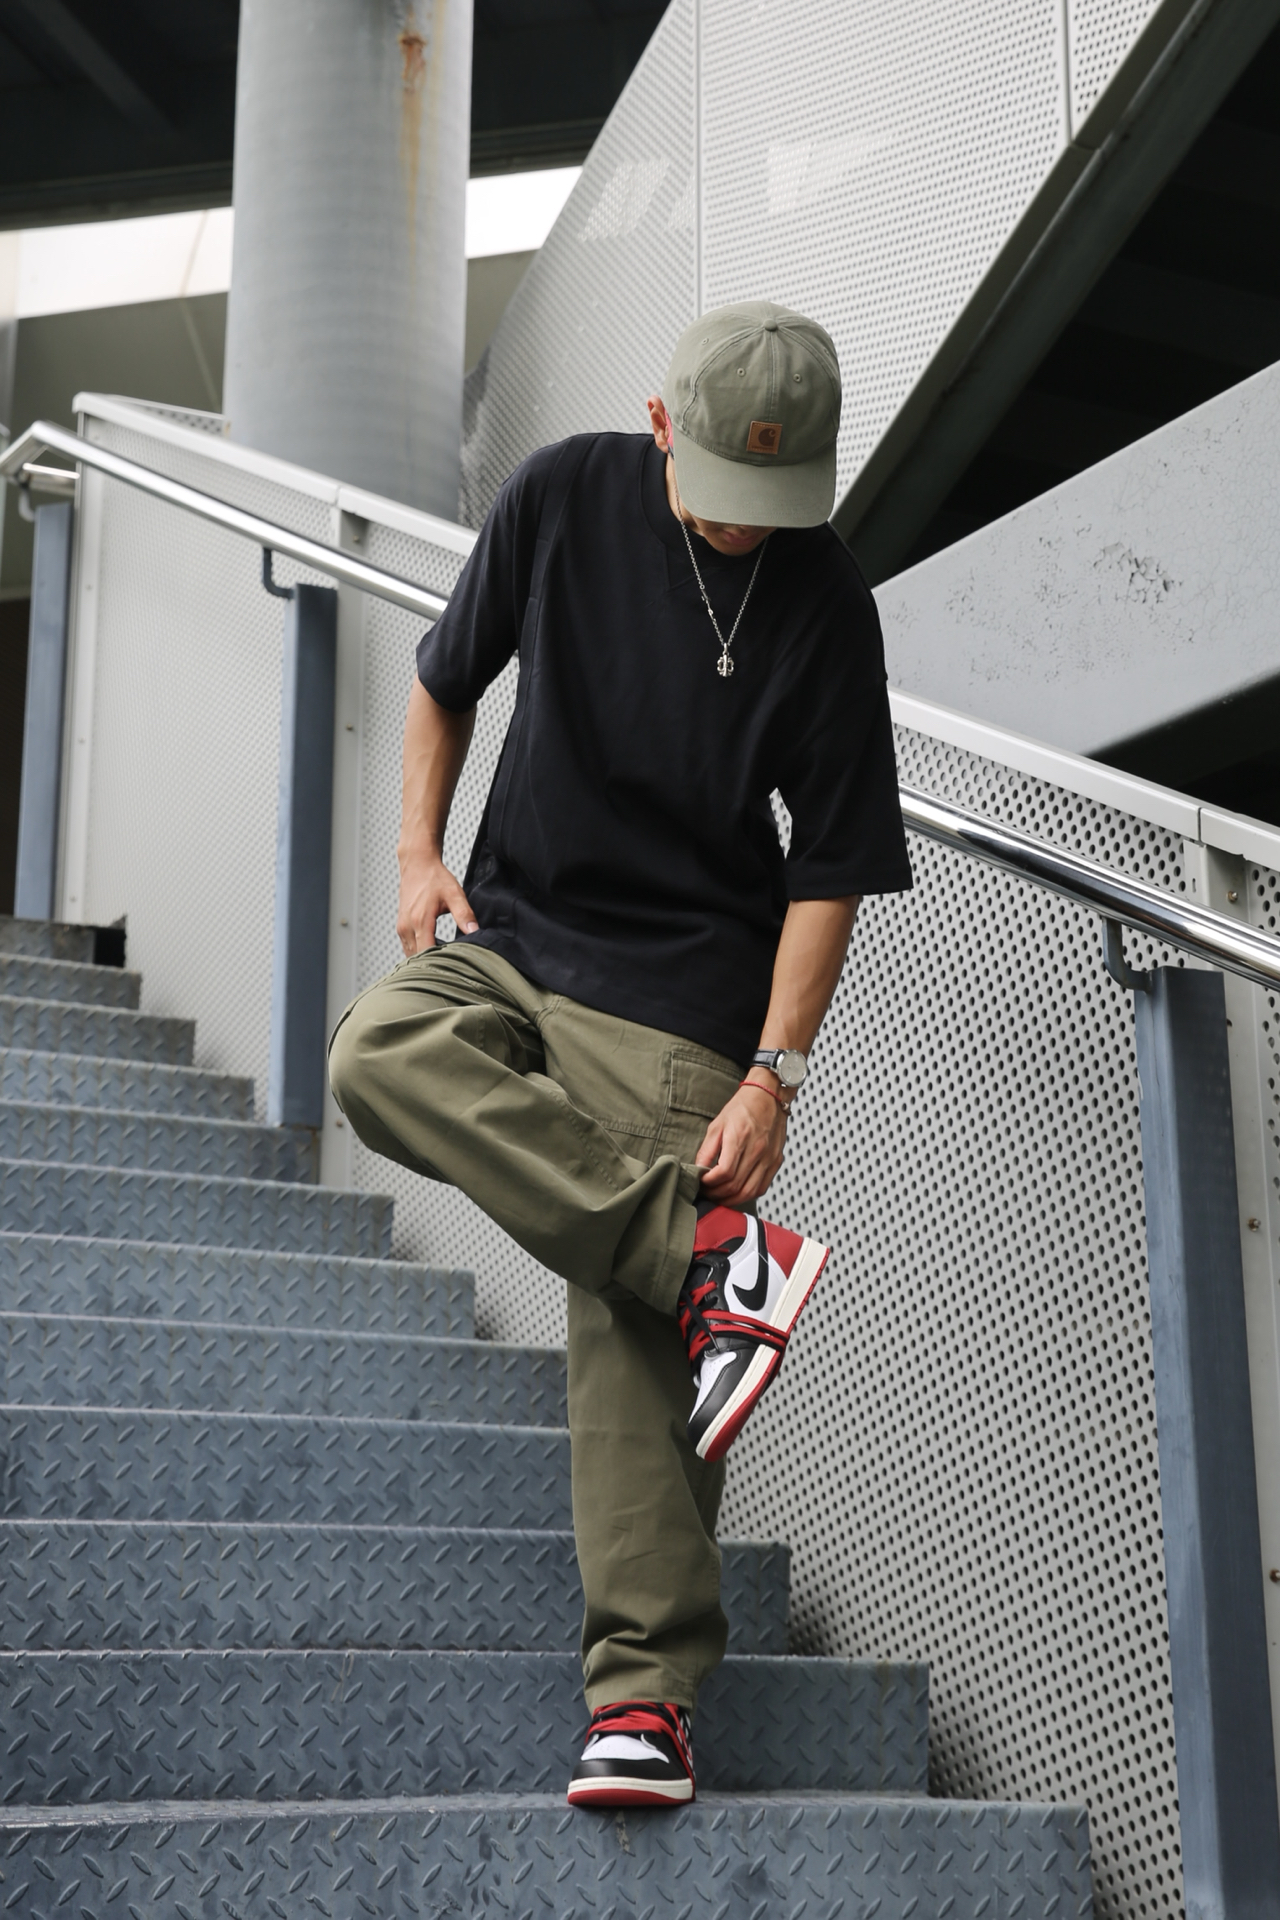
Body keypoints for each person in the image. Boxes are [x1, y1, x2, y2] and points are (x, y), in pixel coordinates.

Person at [328, 299, 912, 1809]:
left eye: (776, 499)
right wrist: (417, 856)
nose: (747, 525)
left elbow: (830, 870)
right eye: (724, 488)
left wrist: (772, 1076)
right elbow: (444, 678)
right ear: (661, 427)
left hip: (684, 1001)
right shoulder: (563, 498)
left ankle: (645, 1701)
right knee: (376, 1054)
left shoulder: (827, 605)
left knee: (629, 1323)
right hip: (515, 935)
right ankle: (711, 1259)